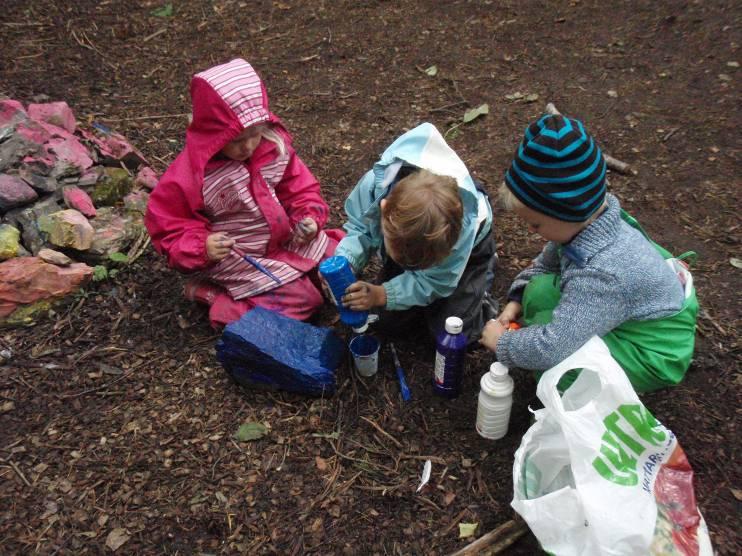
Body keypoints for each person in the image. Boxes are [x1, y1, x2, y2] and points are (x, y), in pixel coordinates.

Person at [480, 114, 698, 392]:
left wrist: (503, 343)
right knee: (538, 292)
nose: (533, 231)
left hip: (653, 350)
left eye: (535, 223)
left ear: (566, 212)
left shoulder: (603, 273)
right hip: (626, 306)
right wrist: (516, 300)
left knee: (566, 366)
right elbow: (544, 266)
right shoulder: (588, 223)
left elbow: (553, 347)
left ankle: (589, 396)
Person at [145, 58, 342, 327]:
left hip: (285, 238)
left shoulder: (273, 147)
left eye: (255, 133)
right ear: (212, 133)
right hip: (241, 257)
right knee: (303, 303)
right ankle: (217, 299)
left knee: (342, 259)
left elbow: (301, 188)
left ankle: (295, 279)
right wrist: (202, 247)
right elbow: (169, 225)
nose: (248, 146)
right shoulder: (193, 174)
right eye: (236, 140)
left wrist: (308, 217)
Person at [334, 123, 497, 344]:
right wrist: (347, 261)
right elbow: (360, 227)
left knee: (452, 333)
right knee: (388, 324)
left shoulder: (458, 232)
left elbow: (438, 282)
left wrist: (382, 294)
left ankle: (480, 281)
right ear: (383, 209)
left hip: (468, 253)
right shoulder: (376, 186)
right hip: (418, 245)